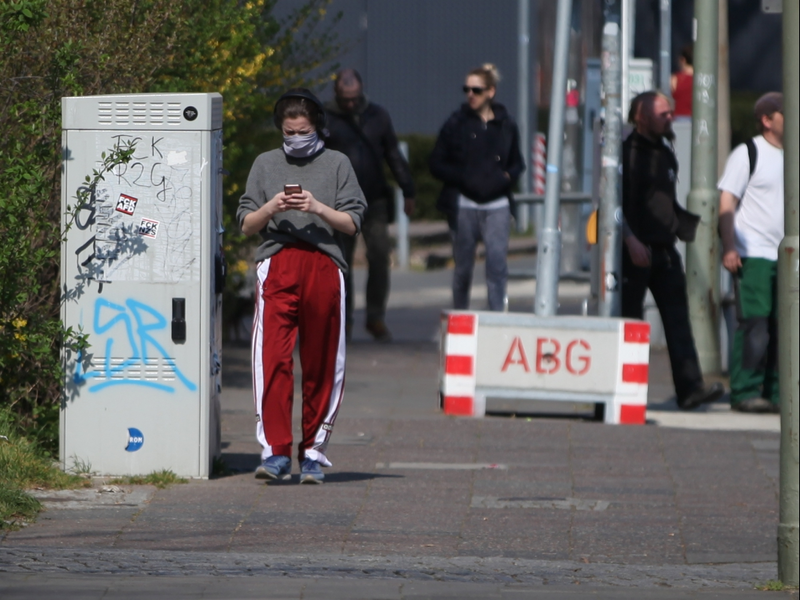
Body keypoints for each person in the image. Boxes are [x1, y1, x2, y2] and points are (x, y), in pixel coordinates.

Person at [237, 89, 366, 483]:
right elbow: (246, 223)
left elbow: (353, 222)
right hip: (278, 261)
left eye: (303, 131)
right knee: (272, 358)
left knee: (321, 360)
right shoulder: (265, 164)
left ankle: (312, 451)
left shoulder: (337, 163)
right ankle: (275, 451)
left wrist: (317, 207)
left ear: (318, 127)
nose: (295, 138)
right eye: (289, 132)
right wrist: (271, 207)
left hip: (324, 262)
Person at [621, 90, 724, 410]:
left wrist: (682, 224)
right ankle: (625, 391)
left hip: (664, 250)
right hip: (634, 250)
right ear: (641, 117)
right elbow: (613, 204)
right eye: (663, 113)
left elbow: (663, 201)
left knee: (678, 320)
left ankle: (690, 389)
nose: (670, 118)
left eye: (670, 112)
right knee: (629, 322)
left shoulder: (665, 152)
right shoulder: (627, 154)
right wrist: (630, 240)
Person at [324, 68, 415, 342]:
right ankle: (344, 320)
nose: (351, 103)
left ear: (361, 91)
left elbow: (393, 155)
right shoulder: (325, 118)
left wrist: (408, 190)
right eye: (345, 99)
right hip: (339, 202)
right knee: (341, 262)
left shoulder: (378, 115)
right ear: (336, 93)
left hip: (374, 199)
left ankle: (375, 317)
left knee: (379, 256)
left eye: (355, 98)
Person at [429, 63, 524, 311]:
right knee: (463, 267)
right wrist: (463, 177)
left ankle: (496, 317)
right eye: (467, 89)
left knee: (496, 264)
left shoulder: (506, 124)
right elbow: (436, 162)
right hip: (464, 204)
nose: (470, 94)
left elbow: (517, 163)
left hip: (497, 204)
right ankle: (460, 315)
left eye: (476, 90)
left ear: (491, 91)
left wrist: (506, 177)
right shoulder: (457, 123)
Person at [718, 92, 783, 413]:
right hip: (754, 252)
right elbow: (727, 201)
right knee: (755, 324)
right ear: (767, 120)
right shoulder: (748, 153)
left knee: (784, 325)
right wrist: (730, 246)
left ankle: (778, 393)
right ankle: (744, 390)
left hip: (786, 255)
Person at [671, 44, 693, 118]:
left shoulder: (676, 78)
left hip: (678, 117)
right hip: (697, 119)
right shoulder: (703, 80)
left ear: (683, 60)